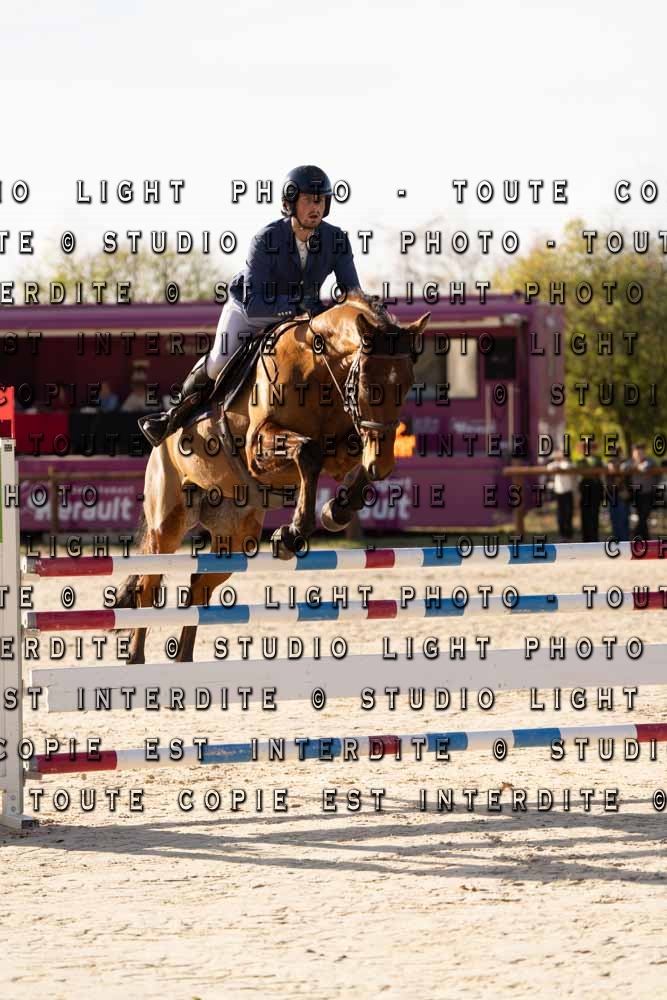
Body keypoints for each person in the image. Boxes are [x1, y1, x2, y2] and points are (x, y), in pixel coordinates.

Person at [140, 164, 361, 448]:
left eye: (320, 200)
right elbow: (255, 304)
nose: (315, 207)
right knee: (220, 361)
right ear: (289, 204)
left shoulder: (337, 240)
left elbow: (352, 294)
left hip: (302, 314)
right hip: (252, 308)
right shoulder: (265, 239)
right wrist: (297, 306)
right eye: (308, 200)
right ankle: (172, 416)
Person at [546, 450, 576, 540]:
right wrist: (557, 462)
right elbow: (549, 467)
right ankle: (562, 534)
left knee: (568, 513)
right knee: (560, 514)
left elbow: (566, 466)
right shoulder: (556, 464)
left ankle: (568, 534)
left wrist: (559, 464)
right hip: (559, 492)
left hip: (568, 491)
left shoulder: (568, 464)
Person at [606, 447, 632, 541]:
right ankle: (617, 542)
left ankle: (624, 542)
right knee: (614, 520)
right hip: (612, 495)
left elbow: (627, 466)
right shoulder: (609, 463)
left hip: (623, 495)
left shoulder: (626, 463)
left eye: (617, 452)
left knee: (623, 520)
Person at [631, 442, 656, 540]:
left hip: (648, 493)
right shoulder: (630, 461)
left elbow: (645, 467)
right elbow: (624, 467)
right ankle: (645, 538)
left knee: (644, 516)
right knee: (641, 516)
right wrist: (636, 465)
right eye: (637, 453)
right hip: (636, 494)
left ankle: (636, 535)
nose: (639, 455)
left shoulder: (649, 461)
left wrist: (637, 466)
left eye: (641, 453)